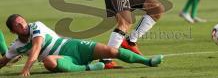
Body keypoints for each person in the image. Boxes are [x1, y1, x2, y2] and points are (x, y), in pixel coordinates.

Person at [0, 14, 163, 77]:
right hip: (62, 58)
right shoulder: (16, 46)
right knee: (49, 61)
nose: (23, 25)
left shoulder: (36, 26)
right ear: (13, 31)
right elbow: (3, 61)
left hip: (74, 46)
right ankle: (89, 68)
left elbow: (36, 48)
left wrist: (26, 68)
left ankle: (148, 61)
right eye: (18, 25)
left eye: (22, 21)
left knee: (111, 50)